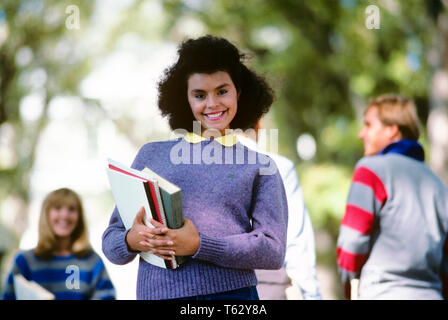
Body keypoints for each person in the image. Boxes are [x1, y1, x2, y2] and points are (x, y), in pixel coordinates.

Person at [102, 35, 288, 300]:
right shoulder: (151, 155)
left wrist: (200, 245)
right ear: (185, 99)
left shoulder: (260, 166)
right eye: (200, 95)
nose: (212, 104)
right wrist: (133, 239)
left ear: (239, 92)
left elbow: (272, 250)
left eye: (222, 91)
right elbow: (111, 242)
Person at [336, 94, 448, 300]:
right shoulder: (439, 186)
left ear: (392, 129)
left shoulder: (370, 170)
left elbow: (351, 243)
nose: (362, 134)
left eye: (368, 125)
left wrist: (347, 284)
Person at [237, 121, 322, 300]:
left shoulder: (199, 166)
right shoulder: (279, 166)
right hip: (269, 285)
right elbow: (297, 240)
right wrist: (311, 294)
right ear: (259, 123)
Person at [2, 188, 116, 300]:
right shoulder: (24, 261)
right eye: (57, 208)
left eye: (72, 209)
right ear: (46, 214)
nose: (65, 215)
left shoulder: (92, 261)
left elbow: (108, 296)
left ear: (79, 217)